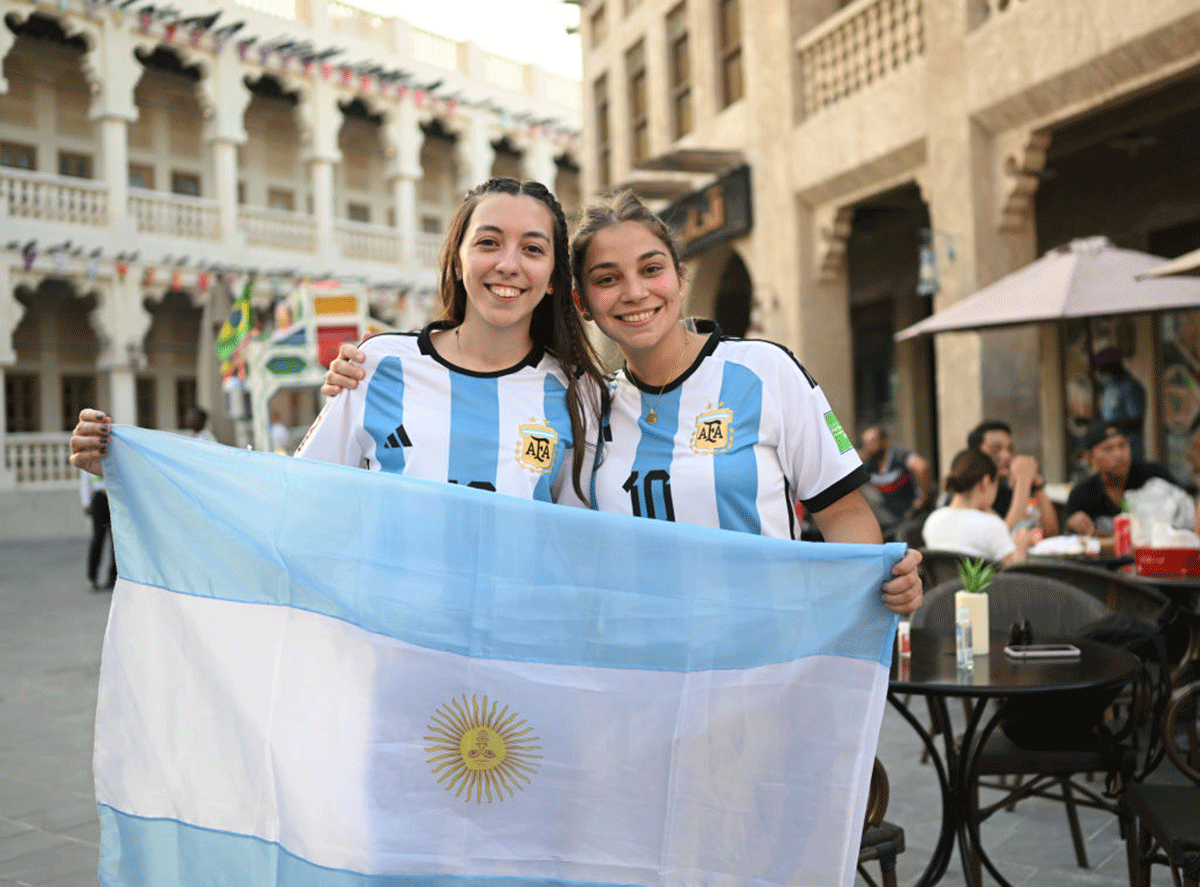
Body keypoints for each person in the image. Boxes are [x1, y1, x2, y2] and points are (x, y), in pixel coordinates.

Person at [325, 190, 923, 613]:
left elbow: (845, 515)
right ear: (582, 301)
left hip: (765, 662)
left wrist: (879, 586)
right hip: (638, 679)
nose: (634, 292)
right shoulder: (594, 407)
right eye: (608, 278)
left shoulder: (765, 372)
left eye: (651, 269)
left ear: (679, 278)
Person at [71, 178, 611, 510]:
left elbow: (583, 542)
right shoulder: (377, 367)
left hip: (516, 667)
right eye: (488, 242)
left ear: (552, 275)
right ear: (457, 258)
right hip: (391, 656)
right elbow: (299, 497)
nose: (508, 264)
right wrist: (137, 468)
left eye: (533, 249)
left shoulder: (576, 394)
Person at [1064, 422, 1200, 536]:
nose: (1118, 454)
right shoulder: (1081, 495)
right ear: (1089, 457)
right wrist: (1075, 525)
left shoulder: (1154, 476)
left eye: (1122, 445)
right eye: (1108, 449)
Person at [921, 448, 1030, 565]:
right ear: (986, 482)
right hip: (980, 584)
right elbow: (1013, 577)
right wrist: (1020, 552)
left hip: (945, 584)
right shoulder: (992, 525)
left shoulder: (932, 520)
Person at [967, 420, 1059, 537]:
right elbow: (999, 538)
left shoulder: (1006, 490)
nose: (1007, 456)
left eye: (1010, 449)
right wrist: (1023, 480)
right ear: (975, 453)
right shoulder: (968, 490)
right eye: (996, 449)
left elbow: (1051, 534)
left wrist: (1037, 486)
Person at [858, 425, 932, 527]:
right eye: (865, 443)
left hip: (910, 514)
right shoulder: (869, 464)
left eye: (873, 442)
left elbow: (922, 466)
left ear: (885, 441)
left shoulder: (898, 456)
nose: (869, 447)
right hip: (887, 514)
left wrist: (922, 498)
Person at [1093, 347, 1146, 462]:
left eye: (1103, 369)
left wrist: (1111, 426)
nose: (1101, 374)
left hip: (1129, 450)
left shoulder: (1130, 387)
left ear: (1113, 366)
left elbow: (1136, 421)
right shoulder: (1108, 387)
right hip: (1110, 449)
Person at [80, 467, 116, 590]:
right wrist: (86, 503)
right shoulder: (91, 455)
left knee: (115, 541)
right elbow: (85, 480)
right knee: (98, 538)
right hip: (99, 498)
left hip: (113, 498)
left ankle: (113, 578)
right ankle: (92, 577)